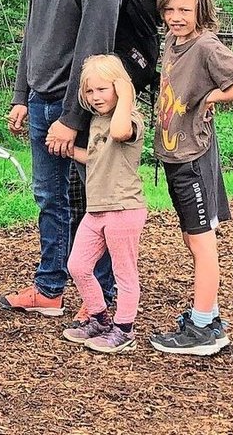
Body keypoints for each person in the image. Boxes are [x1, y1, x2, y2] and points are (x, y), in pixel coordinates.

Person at [1, 0, 120, 319]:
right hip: (41, 103)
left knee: (95, 202)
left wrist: (72, 118)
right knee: (50, 198)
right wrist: (22, 96)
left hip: (80, 113)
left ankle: (104, 298)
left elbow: (95, 53)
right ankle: (50, 288)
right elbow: (33, 35)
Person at [149, 0, 233, 356]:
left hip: (191, 158)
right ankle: (208, 317)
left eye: (185, 9)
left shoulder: (206, 47)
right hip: (175, 153)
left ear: (203, 10)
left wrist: (212, 98)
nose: (176, 16)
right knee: (192, 237)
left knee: (202, 244)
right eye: (169, 8)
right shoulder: (174, 39)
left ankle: (203, 330)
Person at [60, 55, 147, 354]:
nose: (96, 97)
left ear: (120, 89)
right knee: (78, 265)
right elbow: (96, 157)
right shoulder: (97, 121)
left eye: (103, 89)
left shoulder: (131, 118)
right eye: (90, 91)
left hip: (123, 208)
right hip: (97, 209)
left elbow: (120, 132)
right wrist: (69, 150)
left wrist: (126, 94)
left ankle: (125, 330)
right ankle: (98, 318)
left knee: (124, 273)